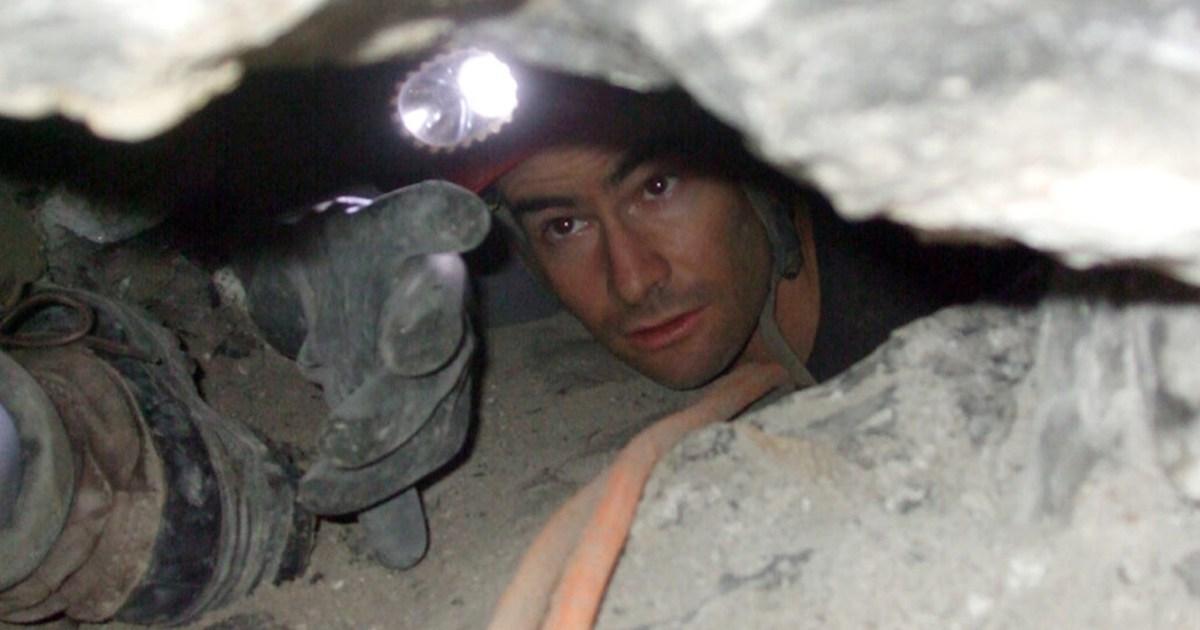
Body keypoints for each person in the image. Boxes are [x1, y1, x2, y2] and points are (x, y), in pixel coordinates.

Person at [425, 67, 1028, 392]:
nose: (633, 280)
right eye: (564, 226)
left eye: (658, 187)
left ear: (757, 168)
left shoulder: (965, 306)